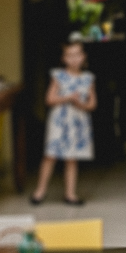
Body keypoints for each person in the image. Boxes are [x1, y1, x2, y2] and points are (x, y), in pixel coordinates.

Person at [31, 38, 96, 205]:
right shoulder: (58, 76)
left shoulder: (88, 78)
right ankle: (40, 191)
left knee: (72, 158)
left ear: (83, 56)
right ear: (63, 58)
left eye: (77, 54)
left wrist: (81, 104)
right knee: (50, 155)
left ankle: (70, 194)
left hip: (78, 123)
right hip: (59, 122)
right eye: (69, 55)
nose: (74, 59)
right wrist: (68, 98)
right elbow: (49, 99)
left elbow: (92, 104)